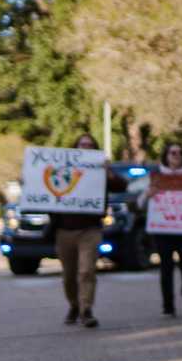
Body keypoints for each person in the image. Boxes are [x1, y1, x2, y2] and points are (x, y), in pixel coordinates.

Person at [136, 142, 182, 319]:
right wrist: (147, 195)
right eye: (172, 152)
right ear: (166, 155)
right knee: (166, 268)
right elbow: (139, 203)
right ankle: (168, 305)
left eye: (180, 152)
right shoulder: (156, 177)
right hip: (163, 231)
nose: (176, 156)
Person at [50, 131, 103, 329]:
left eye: (90, 145)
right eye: (82, 144)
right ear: (75, 147)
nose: (86, 148)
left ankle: (86, 310)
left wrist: (108, 171)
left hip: (90, 230)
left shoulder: (100, 171)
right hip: (64, 230)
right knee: (69, 275)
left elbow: (120, 185)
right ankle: (74, 304)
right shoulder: (63, 170)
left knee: (86, 270)